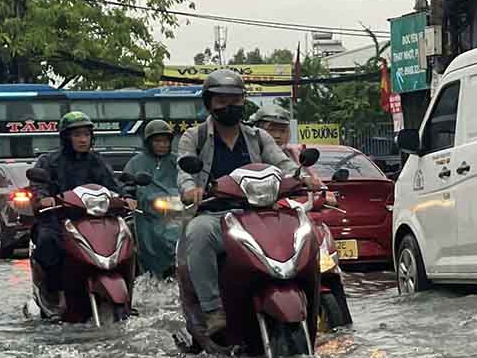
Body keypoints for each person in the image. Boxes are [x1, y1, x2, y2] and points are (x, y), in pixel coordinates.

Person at [176, 69, 319, 339]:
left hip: (257, 215)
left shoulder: (258, 137)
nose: (229, 106)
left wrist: (302, 178)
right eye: (221, 100)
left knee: (304, 231)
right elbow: (184, 170)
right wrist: (190, 188)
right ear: (209, 103)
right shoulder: (193, 137)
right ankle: (213, 310)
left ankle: (312, 304)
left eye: (236, 99)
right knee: (198, 233)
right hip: (215, 215)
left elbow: (283, 164)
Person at [29, 111, 132, 298]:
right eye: (77, 135)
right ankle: (54, 291)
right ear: (66, 138)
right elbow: (38, 186)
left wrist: (126, 197)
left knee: (128, 239)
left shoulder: (97, 161)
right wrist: (43, 198)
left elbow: (113, 184)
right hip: (58, 219)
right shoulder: (49, 161)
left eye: (86, 134)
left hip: (95, 219)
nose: (83, 139)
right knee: (47, 241)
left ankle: (129, 291)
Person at [123, 119, 182, 278]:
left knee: (179, 241)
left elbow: (189, 182)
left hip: (175, 211)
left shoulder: (177, 161)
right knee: (147, 245)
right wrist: (128, 196)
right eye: (157, 141)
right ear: (149, 142)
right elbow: (127, 183)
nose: (162, 145)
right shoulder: (136, 162)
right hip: (146, 213)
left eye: (166, 141)